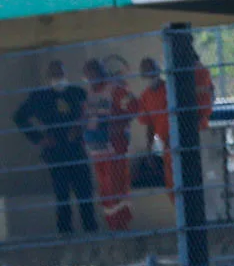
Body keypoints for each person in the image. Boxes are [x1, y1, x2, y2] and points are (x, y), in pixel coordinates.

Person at [11, 60, 95, 234]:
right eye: (54, 74)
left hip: (76, 148)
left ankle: (91, 230)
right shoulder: (40, 97)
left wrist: (80, 127)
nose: (58, 77)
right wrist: (39, 138)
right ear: (48, 76)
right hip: (55, 151)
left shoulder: (77, 92)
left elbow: (90, 114)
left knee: (84, 191)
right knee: (62, 194)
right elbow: (19, 117)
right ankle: (65, 233)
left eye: (60, 73)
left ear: (65, 74)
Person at [133, 54, 214, 192]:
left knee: (195, 179)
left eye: (152, 72)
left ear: (158, 71)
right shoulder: (145, 97)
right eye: (146, 74)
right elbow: (149, 125)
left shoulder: (171, 89)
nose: (150, 77)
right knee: (173, 185)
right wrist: (149, 151)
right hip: (168, 146)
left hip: (185, 139)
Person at [80, 58, 136, 231]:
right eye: (88, 74)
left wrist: (118, 126)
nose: (91, 77)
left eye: (94, 72)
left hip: (114, 147)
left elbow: (133, 106)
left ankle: (121, 224)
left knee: (116, 186)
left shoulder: (115, 90)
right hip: (97, 150)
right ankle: (112, 224)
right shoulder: (89, 93)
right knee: (105, 189)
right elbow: (86, 116)